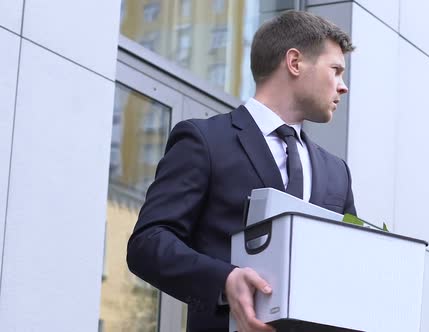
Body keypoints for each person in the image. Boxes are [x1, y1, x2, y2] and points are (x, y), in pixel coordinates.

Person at [127, 10, 356, 332]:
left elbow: (347, 270)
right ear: (295, 62)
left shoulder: (337, 172)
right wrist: (225, 279)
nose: (343, 87)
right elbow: (148, 244)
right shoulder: (205, 140)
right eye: (336, 70)